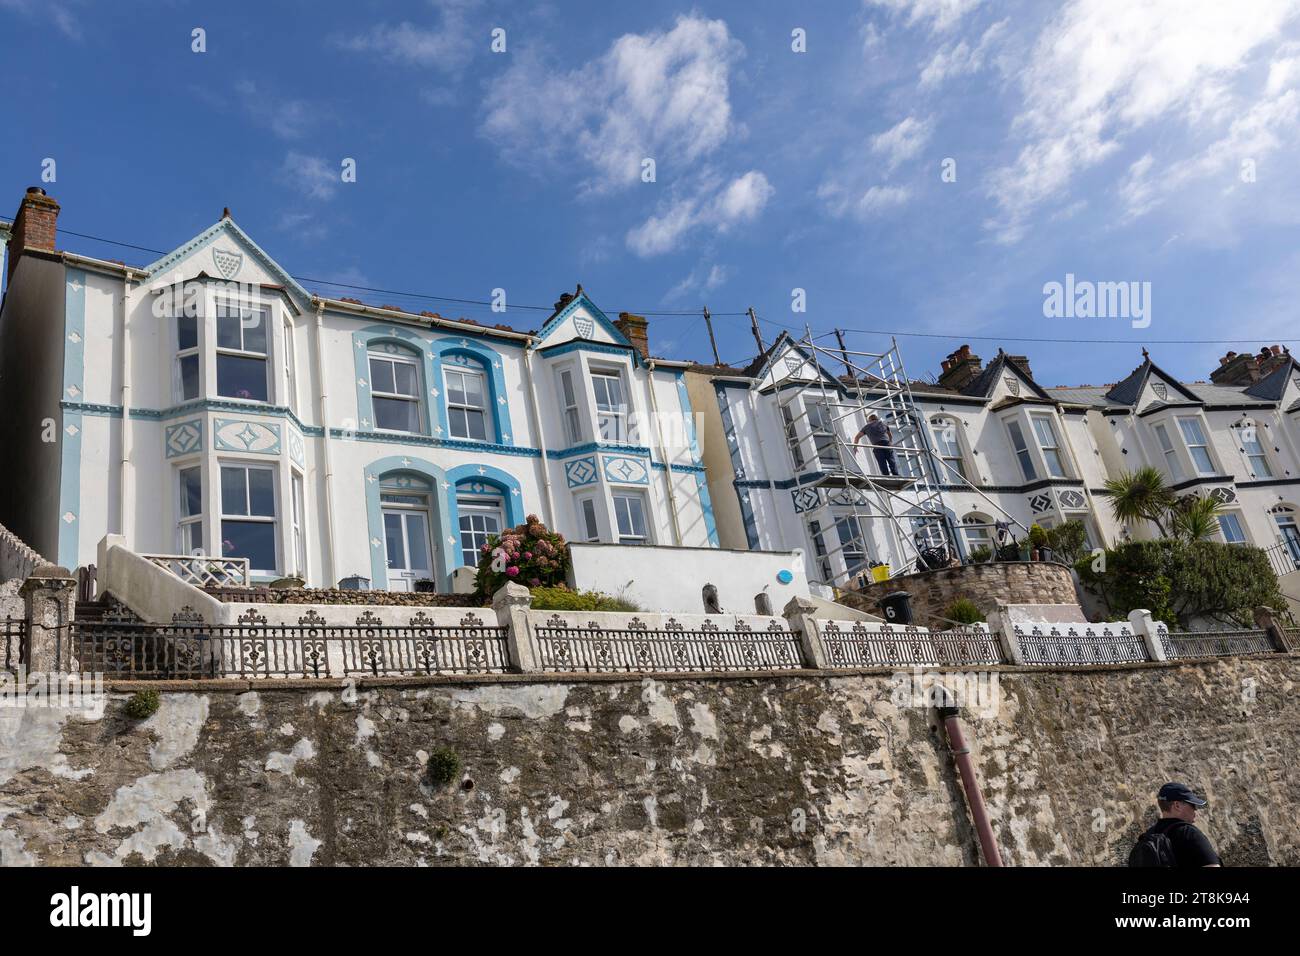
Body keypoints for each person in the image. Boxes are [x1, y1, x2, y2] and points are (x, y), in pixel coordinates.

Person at [1128, 782, 1221, 867]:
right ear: (1177, 805)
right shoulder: (1189, 833)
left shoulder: (1147, 837)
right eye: (1192, 805)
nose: (1195, 810)